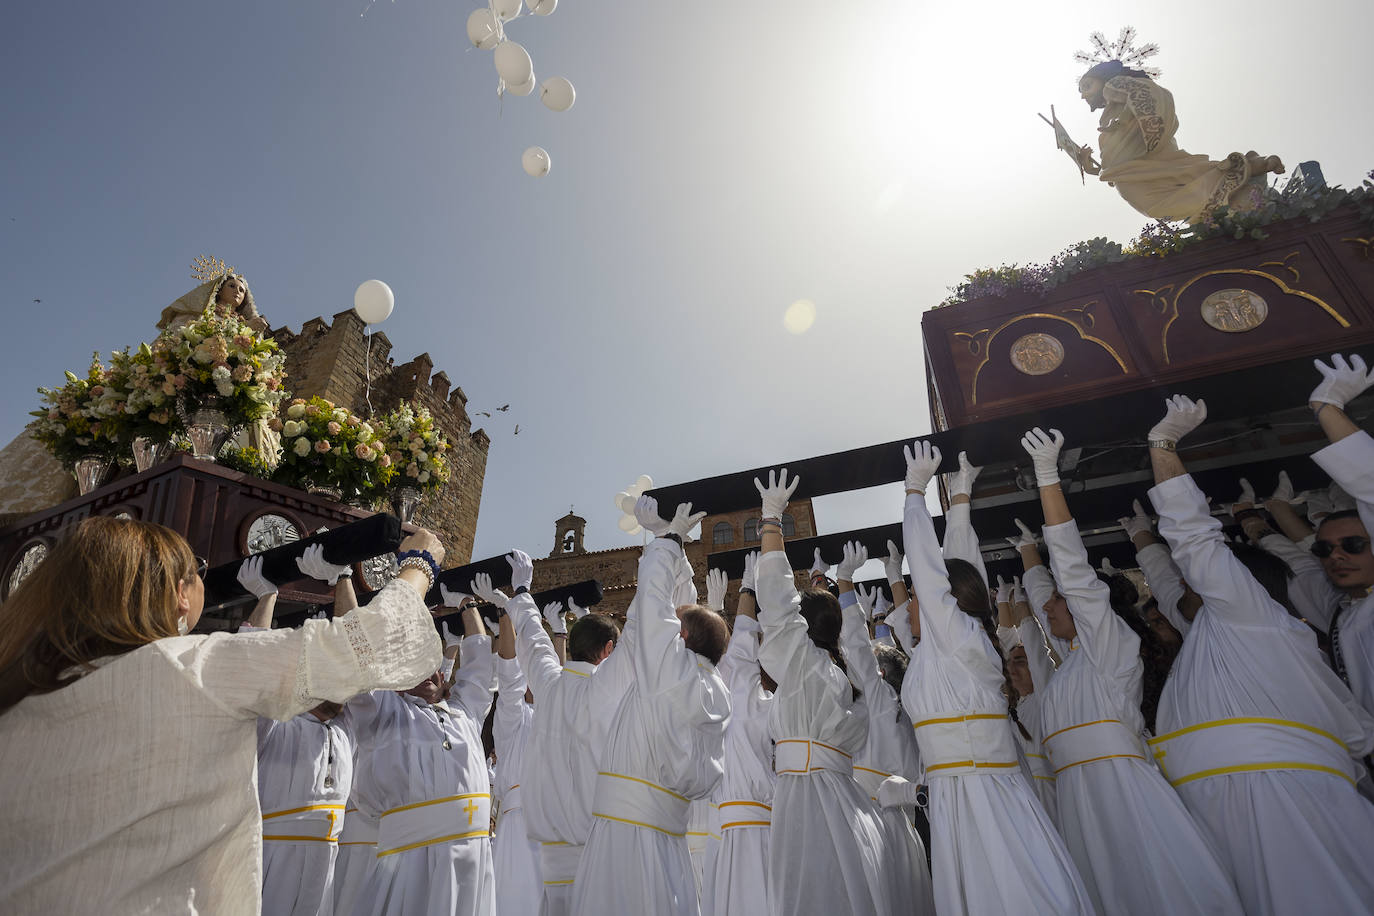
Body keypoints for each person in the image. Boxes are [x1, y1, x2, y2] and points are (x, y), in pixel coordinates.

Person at [0, 516, 444, 914]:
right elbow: (372, 646)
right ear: (178, 595)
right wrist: (420, 563)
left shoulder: (20, 697)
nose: (203, 579)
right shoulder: (193, 668)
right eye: (197, 571)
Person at [1145, 392, 1374, 914]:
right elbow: (1358, 733)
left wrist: (1163, 445)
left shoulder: (1246, 616)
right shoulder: (1247, 635)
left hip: (1273, 803)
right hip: (1236, 800)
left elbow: (1196, 541)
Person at [1020, 427, 1243, 914]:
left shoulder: (1109, 645)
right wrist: (1027, 560)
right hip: (1078, 798)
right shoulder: (1072, 663)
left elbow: (1073, 572)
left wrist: (1046, 478)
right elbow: (1045, 601)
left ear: (1086, 606)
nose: (1049, 607)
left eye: (1059, 599)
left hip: (1121, 789)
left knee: (1154, 889)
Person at [893, 442, 1095, 914]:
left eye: (920, 599)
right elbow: (964, 572)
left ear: (947, 604)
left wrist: (914, 494)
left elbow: (934, 571)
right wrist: (959, 500)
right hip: (961, 793)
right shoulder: (952, 647)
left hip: (978, 793)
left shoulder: (960, 640)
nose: (912, 610)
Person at [570, 496, 731, 916]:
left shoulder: (670, 672)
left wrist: (668, 542)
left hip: (625, 841)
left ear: (680, 640)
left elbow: (656, 607)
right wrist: (679, 560)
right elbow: (679, 615)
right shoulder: (710, 687)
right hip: (667, 842)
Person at [751, 469, 893, 916]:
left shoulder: (809, 669)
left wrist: (771, 522)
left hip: (809, 803)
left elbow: (777, 604)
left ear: (803, 631)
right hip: (842, 803)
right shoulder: (843, 678)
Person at [491, 551, 633, 915]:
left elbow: (533, 639)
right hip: (596, 849)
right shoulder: (602, 689)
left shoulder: (548, 688)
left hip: (551, 856)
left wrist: (522, 590)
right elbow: (642, 636)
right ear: (608, 652)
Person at [345, 588, 495, 916]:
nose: (429, 672)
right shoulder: (384, 713)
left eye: (431, 664)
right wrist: (343, 579)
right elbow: (355, 653)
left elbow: (481, 666)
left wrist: (466, 603)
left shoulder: (464, 713)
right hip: (411, 860)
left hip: (472, 858)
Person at [236, 546, 359, 916]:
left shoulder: (347, 730)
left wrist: (342, 578)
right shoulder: (276, 722)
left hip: (326, 864)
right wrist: (267, 595)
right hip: (270, 861)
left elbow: (357, 648)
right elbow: (247, 669)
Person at [835, 544, 935, 916]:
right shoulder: (917, 714)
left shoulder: (879, 703)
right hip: (906, 835)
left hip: (866, 825)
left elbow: (857, 646)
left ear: (879, 676)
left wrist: (844, 583)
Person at [1073, 55, 1282, 223]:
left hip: (1137, 166)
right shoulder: (1112, 106)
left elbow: (1142, 94)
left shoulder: (1114, 85)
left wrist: (1126, 122)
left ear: (1103, 76)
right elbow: (1117, 162)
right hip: (1134, 170)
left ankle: (1243, 175)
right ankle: (1244, 179)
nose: (1083, 95)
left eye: (1086, 85)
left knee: (1162, 204)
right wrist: (1091, 167)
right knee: (1183, 182)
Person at [701, 552, 777, 916]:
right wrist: (746, 592)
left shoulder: (723, 695)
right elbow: (740, 655)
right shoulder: (768, 702)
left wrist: (721, 606)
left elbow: (728, 659)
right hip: (754, 832)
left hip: (729, 835)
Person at [1303, 354, 1374, 716]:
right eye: (1324, 548)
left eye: (1353, 544)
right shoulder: (1343, 615)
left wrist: (1327, 409)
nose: (1336, 556)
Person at [490, 594, 544, 916]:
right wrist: (505, 617)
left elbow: (562, 687)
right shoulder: (515, 717)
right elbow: (509, 680)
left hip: (553, 822)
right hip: (519, 828)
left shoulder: (551, 716)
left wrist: (561, 633)